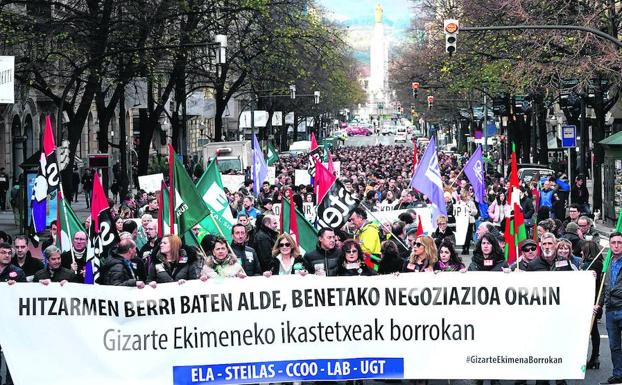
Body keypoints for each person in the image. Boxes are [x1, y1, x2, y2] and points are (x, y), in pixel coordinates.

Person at [581, 240, 603, 370]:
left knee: (589, 330)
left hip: (589, 301)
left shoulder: (590, 265)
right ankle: (595, 357)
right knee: (594, 330)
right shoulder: (600, 264)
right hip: (596, 300)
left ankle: (592, 356)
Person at [604, 232, 622, 384]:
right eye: (613, 243)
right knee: (614, 345)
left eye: (619, 242)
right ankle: (618, 373)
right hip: (610, 309)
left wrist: (613, 291)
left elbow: (615, 287)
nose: (616, 245)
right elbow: (606, 284)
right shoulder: (609, 261)